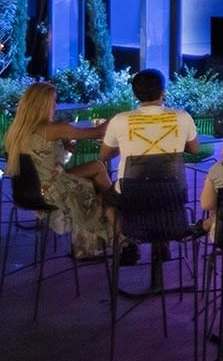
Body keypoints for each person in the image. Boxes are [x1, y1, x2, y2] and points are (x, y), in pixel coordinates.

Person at [4, 82, 115, 258]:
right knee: (99, 183)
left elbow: (44, 160)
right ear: (44, 104)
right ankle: (116, 230)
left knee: (97, 168)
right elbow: (97, 132)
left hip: (30, 191)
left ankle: (109, 230)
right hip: (53, 190)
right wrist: (117, 118)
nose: (55, 105)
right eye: (53, 101)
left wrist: (64, 149)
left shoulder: (16, 131)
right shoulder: (54, 129)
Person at [101, 69, 200, 216]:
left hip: (131, 194)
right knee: (162, 206)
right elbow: (194, 149)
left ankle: (123, 236)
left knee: (106, 202)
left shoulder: (119, 120)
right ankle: (163, 235)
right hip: (172, 191)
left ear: (135, 93)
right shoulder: (183, 117)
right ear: (163, 92)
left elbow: (104, 155)